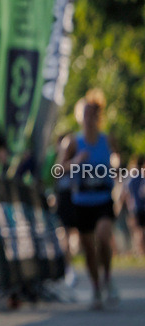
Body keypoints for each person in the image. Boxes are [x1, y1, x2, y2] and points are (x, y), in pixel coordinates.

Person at [59, 90, 118, 309]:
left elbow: (117, 163)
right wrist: (74, 161)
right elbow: (57, 170)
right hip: (82, 202)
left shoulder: (107, 140)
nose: (89, 119)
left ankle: (108, 278)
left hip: (103, 199)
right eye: (85, 115)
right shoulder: (72, 142)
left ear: (98, 117)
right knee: (89, 249)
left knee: (103, 236)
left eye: (93, 115)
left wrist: (116, 165)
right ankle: (95, 287)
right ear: (79, 116)